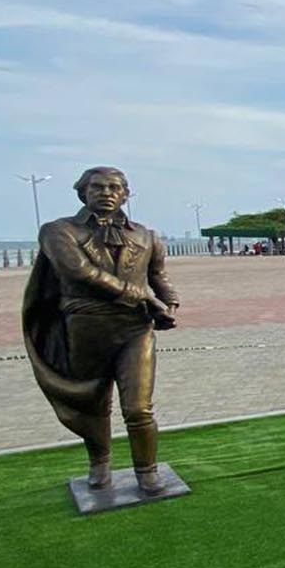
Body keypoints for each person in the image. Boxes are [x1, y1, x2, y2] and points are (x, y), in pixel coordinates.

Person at [22, 166, 179, 493]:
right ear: (83, 193)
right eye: (97, 187)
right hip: (85, 327)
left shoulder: (146, 236)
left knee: (138, 407)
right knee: (91, 404)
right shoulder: (58, 231)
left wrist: (170, 304)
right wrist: (135, 294)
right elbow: (78, 270)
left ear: (125, 195)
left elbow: (159, 276)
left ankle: (146, 469)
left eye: (113, 187)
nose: (106, 193)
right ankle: (99, 462)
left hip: (135, 329)